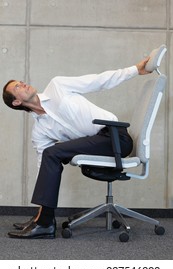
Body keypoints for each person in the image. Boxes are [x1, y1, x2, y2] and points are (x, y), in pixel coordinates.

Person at [2, 57, 151, 238]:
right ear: (16, 102)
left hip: (115, 137)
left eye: (21, 82)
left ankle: (45, 223)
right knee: (50, 156)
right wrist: (41, 207)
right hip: (97, 142)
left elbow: (98, 81)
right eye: (17, 87)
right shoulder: (40, 130)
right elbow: (45, 167)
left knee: (53, 152)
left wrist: (135, 69)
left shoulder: (57, 86)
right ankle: (42, 218)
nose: (23, 84)